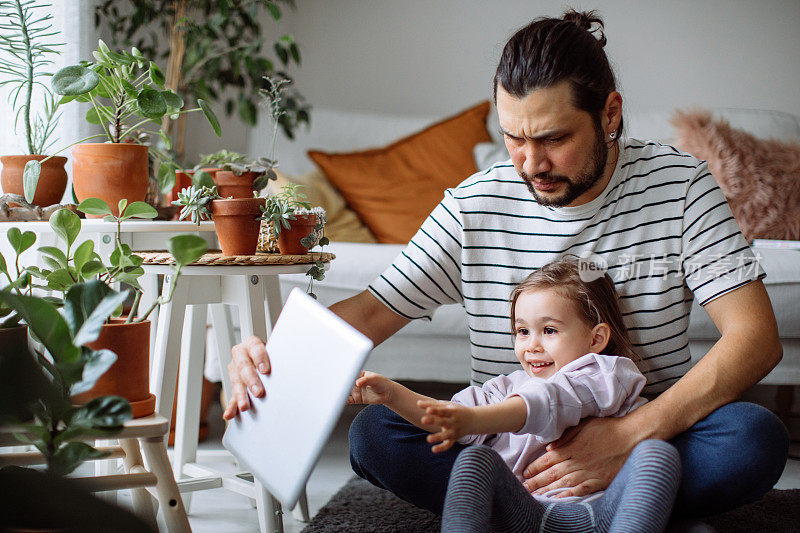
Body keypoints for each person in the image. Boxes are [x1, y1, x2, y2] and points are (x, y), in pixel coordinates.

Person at [223, 8, 788, 520]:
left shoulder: (681, 187)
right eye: (514, 138)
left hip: (647, 441)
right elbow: (370, 313)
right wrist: (270, 355)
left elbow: (756, 339)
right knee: (374, 436)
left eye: (553, 139)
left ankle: (573, 503)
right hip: (506, 448)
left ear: (609, 112)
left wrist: (628, 437)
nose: (531, 163)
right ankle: (595, 510)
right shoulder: (474, 204)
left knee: (751, 437)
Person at [348, 257, 681, 532]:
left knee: (657, 455)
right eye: (523, 331)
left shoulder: (609, 373)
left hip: (607, 511)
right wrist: (390, 393)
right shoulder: (505, 386)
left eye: (549, 330)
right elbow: (444, 416)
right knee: (476, 460)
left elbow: (552, 401)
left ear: (596, 339)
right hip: (523, 513)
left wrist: (473, 420)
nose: (531, 345)